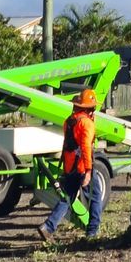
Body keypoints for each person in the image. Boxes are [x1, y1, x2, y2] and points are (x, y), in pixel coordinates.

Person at [37, 87, 104, 242]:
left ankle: (48, 227)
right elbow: (86, 147)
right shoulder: (87, 123)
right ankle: (93, 232)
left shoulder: (69, 121)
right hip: (82, 167)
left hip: (70, 167)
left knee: (66, 199)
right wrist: (88, 171)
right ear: (90, 108)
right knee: (95, 197)